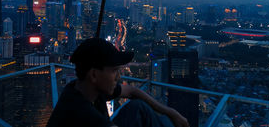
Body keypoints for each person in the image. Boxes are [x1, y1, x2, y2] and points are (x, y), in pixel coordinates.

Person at [46, 38, 190, 127]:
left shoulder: (85, 88)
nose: (118, 77)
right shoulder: (82, 113)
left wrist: (171, 112)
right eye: (114, 70)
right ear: (94, 74)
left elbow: (133, 91)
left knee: (138, 107)